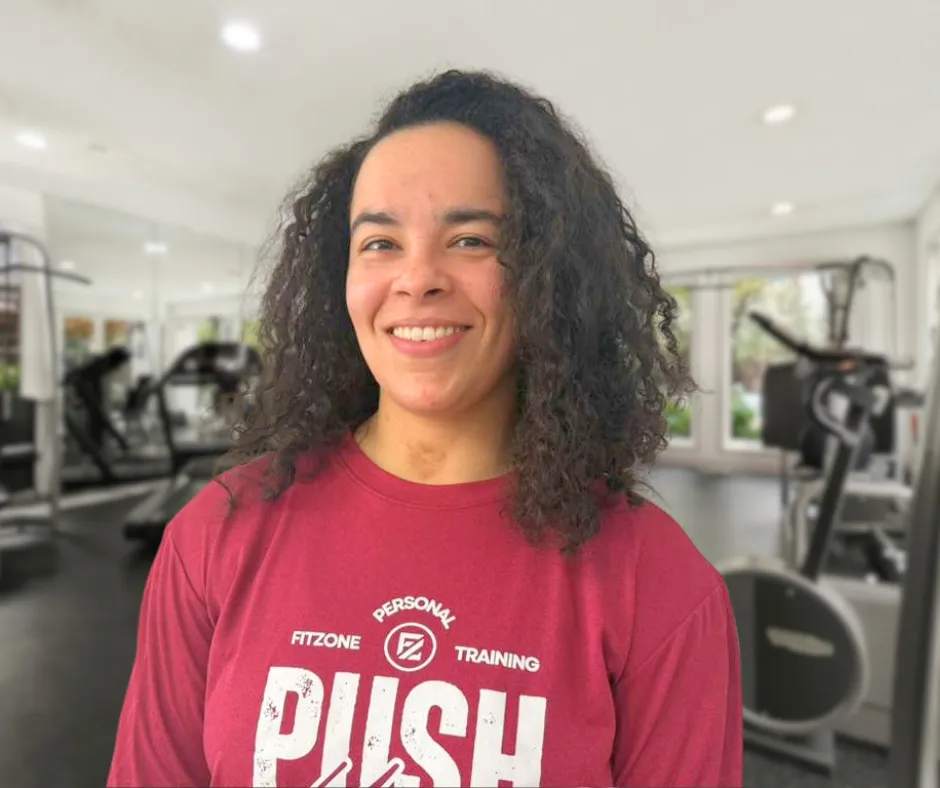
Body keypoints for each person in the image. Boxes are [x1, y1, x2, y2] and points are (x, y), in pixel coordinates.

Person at [108, 70, 743, 788]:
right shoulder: (215, 536)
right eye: (380, 243)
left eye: (470, 240)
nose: (417, 279)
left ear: (550, 277)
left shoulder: (659, 586)